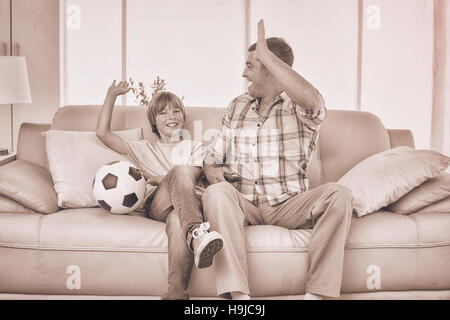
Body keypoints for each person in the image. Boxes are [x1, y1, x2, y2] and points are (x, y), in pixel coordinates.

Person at [202, 20, 353, 300]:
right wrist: (211, 168)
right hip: (244, 201)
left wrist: (268, 56)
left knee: (339, 194)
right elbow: (213, 156)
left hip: (288, 204)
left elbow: (313, 99)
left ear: (272, 68)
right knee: (216, 193)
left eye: (250, 65)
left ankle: (317, 295)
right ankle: (238, 297)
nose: (243, 73)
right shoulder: (237, 105)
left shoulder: (299, 107)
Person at [96, 81, 224, 299]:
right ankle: (198, 233)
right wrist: (111, 95)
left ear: (183, 116)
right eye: (163, 113)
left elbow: (189, 177)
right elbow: (102, 133)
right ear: (153, 121)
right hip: (157, 204)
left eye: (176, 111)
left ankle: (176, 292)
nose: (171, 116)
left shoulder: (195, 146)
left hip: (185, 207)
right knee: (178, 172)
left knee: (176, 219)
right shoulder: (142, 148)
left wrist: (157, 178)